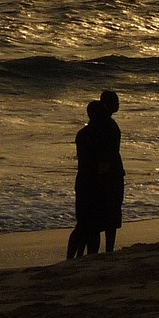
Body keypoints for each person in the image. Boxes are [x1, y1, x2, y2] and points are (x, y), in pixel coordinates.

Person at [66, 100, 107, 259]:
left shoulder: (83, 134)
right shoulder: (98, 135)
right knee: (92, 225)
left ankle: (72, 257)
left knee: (83, 223)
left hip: (83, 181)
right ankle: (90, 256)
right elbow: (102, 161)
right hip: (93, 181)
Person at [95, 90, 126, 251]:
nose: (118, 104)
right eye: (116, 101)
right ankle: (109, 249)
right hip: (111, 173)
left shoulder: (99, 124)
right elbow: (109, 152)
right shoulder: (109, 125)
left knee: (105, 212)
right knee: (112, 211)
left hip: (108, 172)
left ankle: (104, 249)